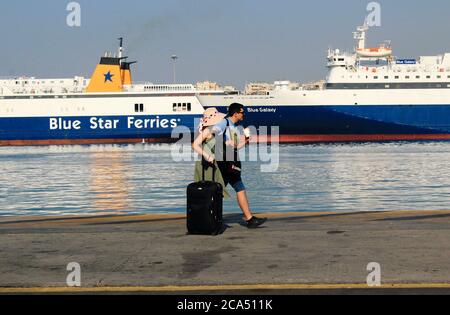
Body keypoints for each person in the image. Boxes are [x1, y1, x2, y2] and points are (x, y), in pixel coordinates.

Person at [211, 103, 267, 229]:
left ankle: (249, 218)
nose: (243, 114)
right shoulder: (224, 123)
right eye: (242, 112)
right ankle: (212, 217)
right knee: (219, 191)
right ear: (235, 113)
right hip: (224, 162)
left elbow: (235, 147)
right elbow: (213, 131)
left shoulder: (234, 127)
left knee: (237, 188)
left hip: (231, 161)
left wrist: (245, 142)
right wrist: (225, 141)